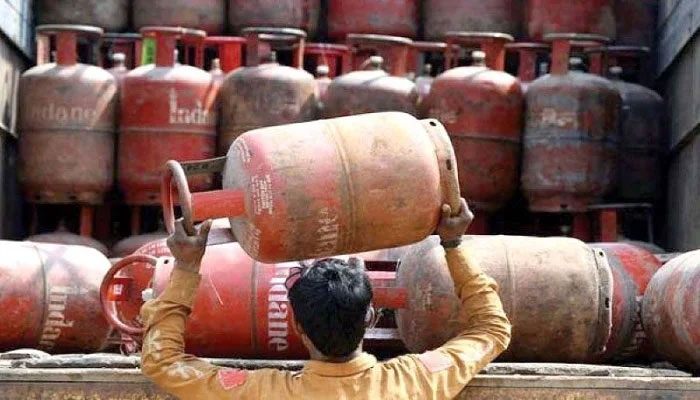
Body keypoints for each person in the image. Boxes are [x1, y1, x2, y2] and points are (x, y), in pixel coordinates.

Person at [140, 199, 511, 399]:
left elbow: (161, 361)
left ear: (299, 327)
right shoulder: (412, 382)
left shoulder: (262, 393)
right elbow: (492, 329)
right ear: (370, 317)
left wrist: (186, 268)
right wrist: (453, 244)